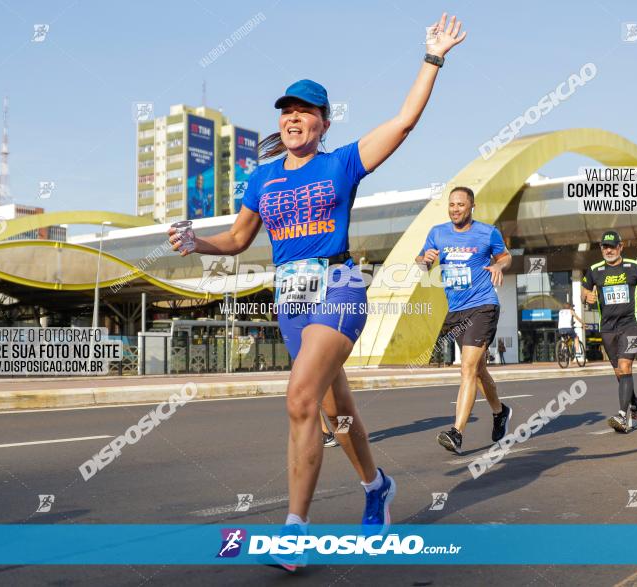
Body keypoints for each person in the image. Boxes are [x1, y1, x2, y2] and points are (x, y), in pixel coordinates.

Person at [169, 12, 466, 572]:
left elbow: (403, 122)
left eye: (304, 112)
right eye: (286, 112)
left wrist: (432, 58)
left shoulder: (342, 163)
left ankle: (294, 532)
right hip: (291, 300)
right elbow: (237, 238)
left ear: (324, 123)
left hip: (340, 284)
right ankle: (377, 485)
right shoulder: (262, 178)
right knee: (337, 412)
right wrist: (196, 243)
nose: (293, 120)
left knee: (300, 399)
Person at [416, 186, 513, 454]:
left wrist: (497, 265)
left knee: (467, 368)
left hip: (483, 306)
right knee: (479, 370)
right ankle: (500, 411)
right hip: (456, 309)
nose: (455, 209)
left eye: (460, 204)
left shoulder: (487, 232)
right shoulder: (438, 232)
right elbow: (421, 262)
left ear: (472, 206)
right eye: (452, 204)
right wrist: (424, 260)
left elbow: (506, 256)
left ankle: (456, 432)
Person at [581, 230, 637, 433]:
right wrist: (586, 297)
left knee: (625, 366)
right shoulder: (594, 270)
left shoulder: (634, 267)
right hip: (607, 328)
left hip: (632, 324)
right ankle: (636, 404)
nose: (609, 250)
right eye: (605, 246)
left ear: (620, 247)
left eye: (612, 246)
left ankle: (623, 416)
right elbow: (585, 290)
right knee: (619, 373)